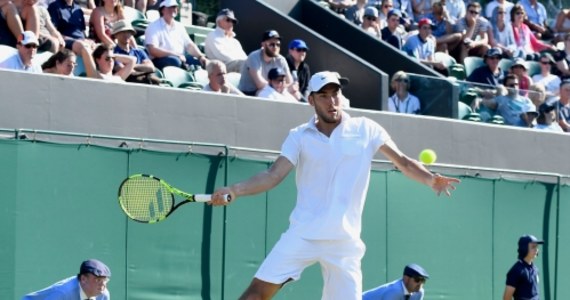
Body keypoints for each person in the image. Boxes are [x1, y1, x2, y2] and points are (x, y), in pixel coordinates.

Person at [209, 71, 460, 300]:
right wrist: (234, 190)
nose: (332, 101)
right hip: (303, 234)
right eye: (324, 95)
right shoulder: (299, 135)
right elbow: (273, 175)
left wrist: (430, 179)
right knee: (255, 296)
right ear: (311, 101)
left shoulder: (366, 128)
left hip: (345, 242)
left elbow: (403, 162)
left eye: (336, 93)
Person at [144, 0, 207, 70]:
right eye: (170, 7)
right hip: (160, 60)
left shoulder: (179, 26)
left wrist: (200, 56)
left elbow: (189, 45)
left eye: (175, 7)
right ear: (163, 10)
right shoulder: (153, 26)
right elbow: (153, 50)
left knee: (201, 62)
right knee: (175, 61)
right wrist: (175, 55)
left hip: (180, 58)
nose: (173, 9)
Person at [237, 29, 292, 96]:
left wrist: (283, 87)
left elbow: (290, 82)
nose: (275, 47)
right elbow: (260, 84)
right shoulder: (253, 57)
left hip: (271, 90)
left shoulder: (281, 59)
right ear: (263, 44)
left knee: (294, 95)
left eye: (278, 45)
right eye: (272, 44)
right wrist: (279, 86)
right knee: (267, 93)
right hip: (248, 94)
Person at [22, 259, 111, 300]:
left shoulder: (103, 295)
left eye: (105, 280)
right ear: (83, 279)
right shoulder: (63, 293)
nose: (103, 284)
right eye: (98, 280)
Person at [204, 8, 247, 73]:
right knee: (244, 64)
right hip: (219, 69)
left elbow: (245, 58)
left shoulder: (235, 42)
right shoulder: (213, 35)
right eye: (228, 20)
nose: (231, 23)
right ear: (218, 22)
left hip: (236, 66)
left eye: (233, 21)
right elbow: (221, 56)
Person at [503, 235, 544, 300]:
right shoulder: (516, 270)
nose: (536, 250)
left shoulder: (536, 269)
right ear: (524, 248)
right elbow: (506, 298)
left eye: (537, 247)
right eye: (533, 247)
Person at [362, 264, 429, 299]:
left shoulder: (419, 292)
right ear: (406, 279)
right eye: (417, 279)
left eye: (423, 280)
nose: (420, 283)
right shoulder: (395, 291)